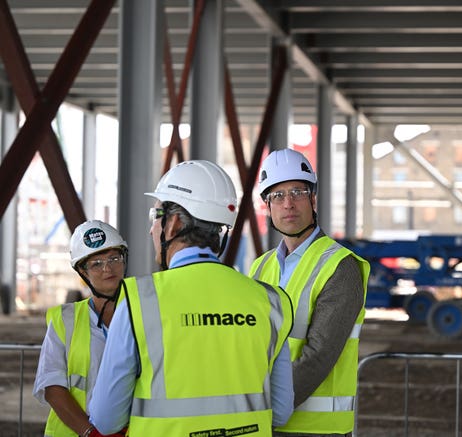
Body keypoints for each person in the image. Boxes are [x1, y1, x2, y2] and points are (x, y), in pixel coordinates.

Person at [88, 160, 294, 436]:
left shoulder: (140, 301)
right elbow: (280, 411)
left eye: (156, 216)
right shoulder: (270, 302)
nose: (152, 229)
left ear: (173, 224)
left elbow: (105, 419)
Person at [249, 149, 370, 436]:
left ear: (312, 199)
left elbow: (318, 356)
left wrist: (261, 407)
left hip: (314, 428)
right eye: (277, 196)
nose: (288, 203)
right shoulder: (259, 267)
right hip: (264, 423)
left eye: (297, 192)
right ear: (267, 206)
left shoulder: (341, 266)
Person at [33, 220, 129, 437]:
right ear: (82, 272)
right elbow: (53, 388)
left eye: (114, 258)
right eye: (96, 263)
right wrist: (90, 433)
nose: (108, 268)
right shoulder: (64, 320)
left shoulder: (143, 312)